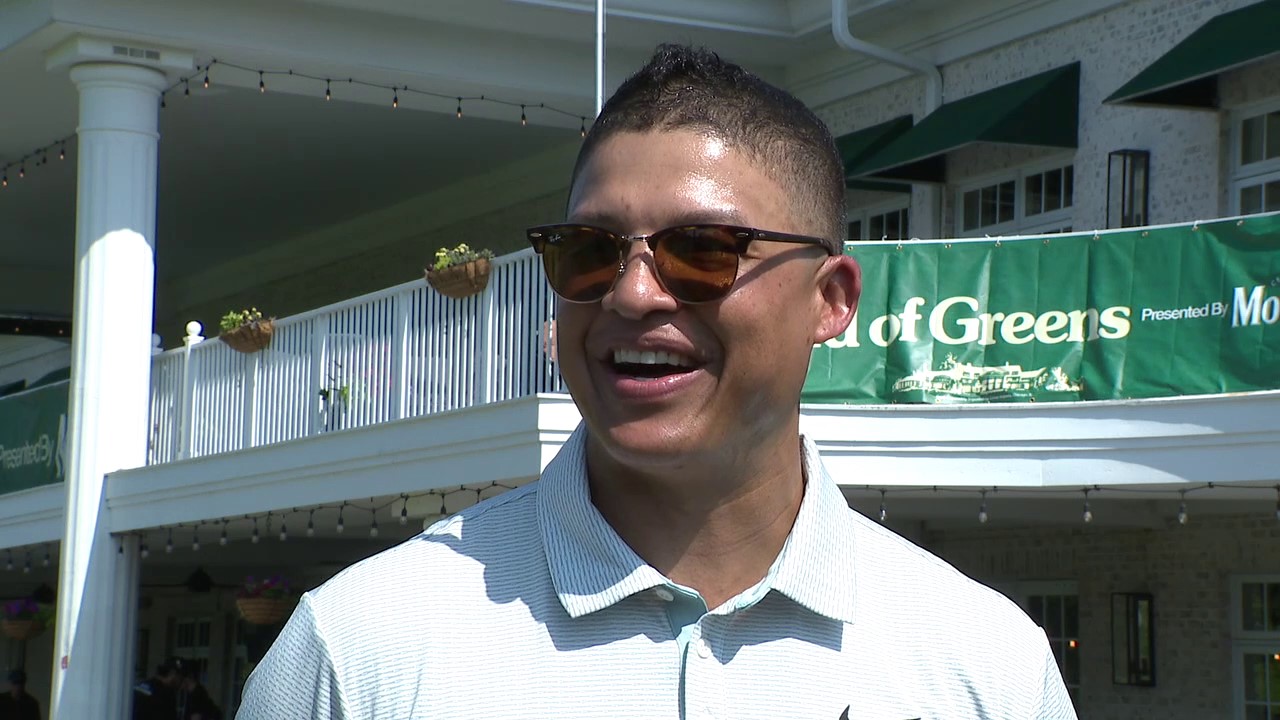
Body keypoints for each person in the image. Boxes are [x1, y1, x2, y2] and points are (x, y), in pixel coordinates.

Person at [236, 44, 1077, 719]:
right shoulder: (359, 650)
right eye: (589, 251)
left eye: (702, 250)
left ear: (830, 301)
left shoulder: (986, 664)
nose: (632, 294)